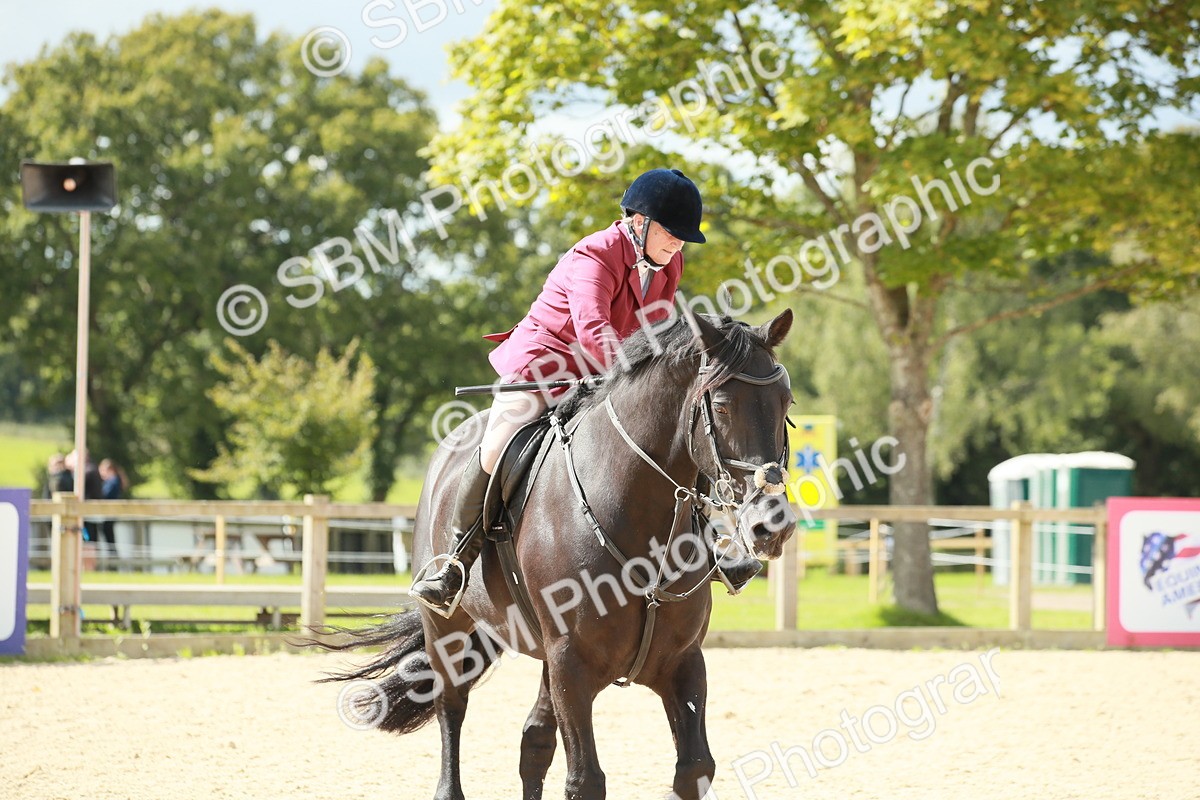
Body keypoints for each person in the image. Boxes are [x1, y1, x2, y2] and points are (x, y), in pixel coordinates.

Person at [411, 168, 761, 612]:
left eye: (682, 238)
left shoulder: (669, 263)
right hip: (546, 361)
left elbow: (654, 332)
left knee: (684, 429)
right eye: (672, 234)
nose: (678, 244)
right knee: (500, 438)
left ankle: (718, 543)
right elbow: (593, 328)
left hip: (609, 371)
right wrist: (630, 373)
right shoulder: (594, 256)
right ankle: (454, 562)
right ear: (640, 222)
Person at [98, 459, 128, 565]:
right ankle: (113, 561)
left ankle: (113, 562)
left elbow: (105, 495)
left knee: (109, 538)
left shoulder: (113, 481)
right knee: (110, 538)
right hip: (110, 513)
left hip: (109, 513)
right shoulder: (113, 481)